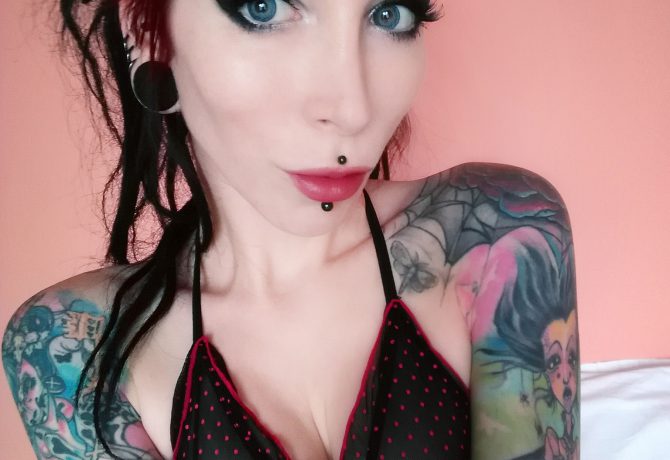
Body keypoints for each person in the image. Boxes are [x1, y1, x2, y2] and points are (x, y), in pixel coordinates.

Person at [2, 0, 580, 458]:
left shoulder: (496, 231)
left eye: (390, 13)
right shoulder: (71, 349)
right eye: (265, 7)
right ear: (150, 34)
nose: (353, 109)